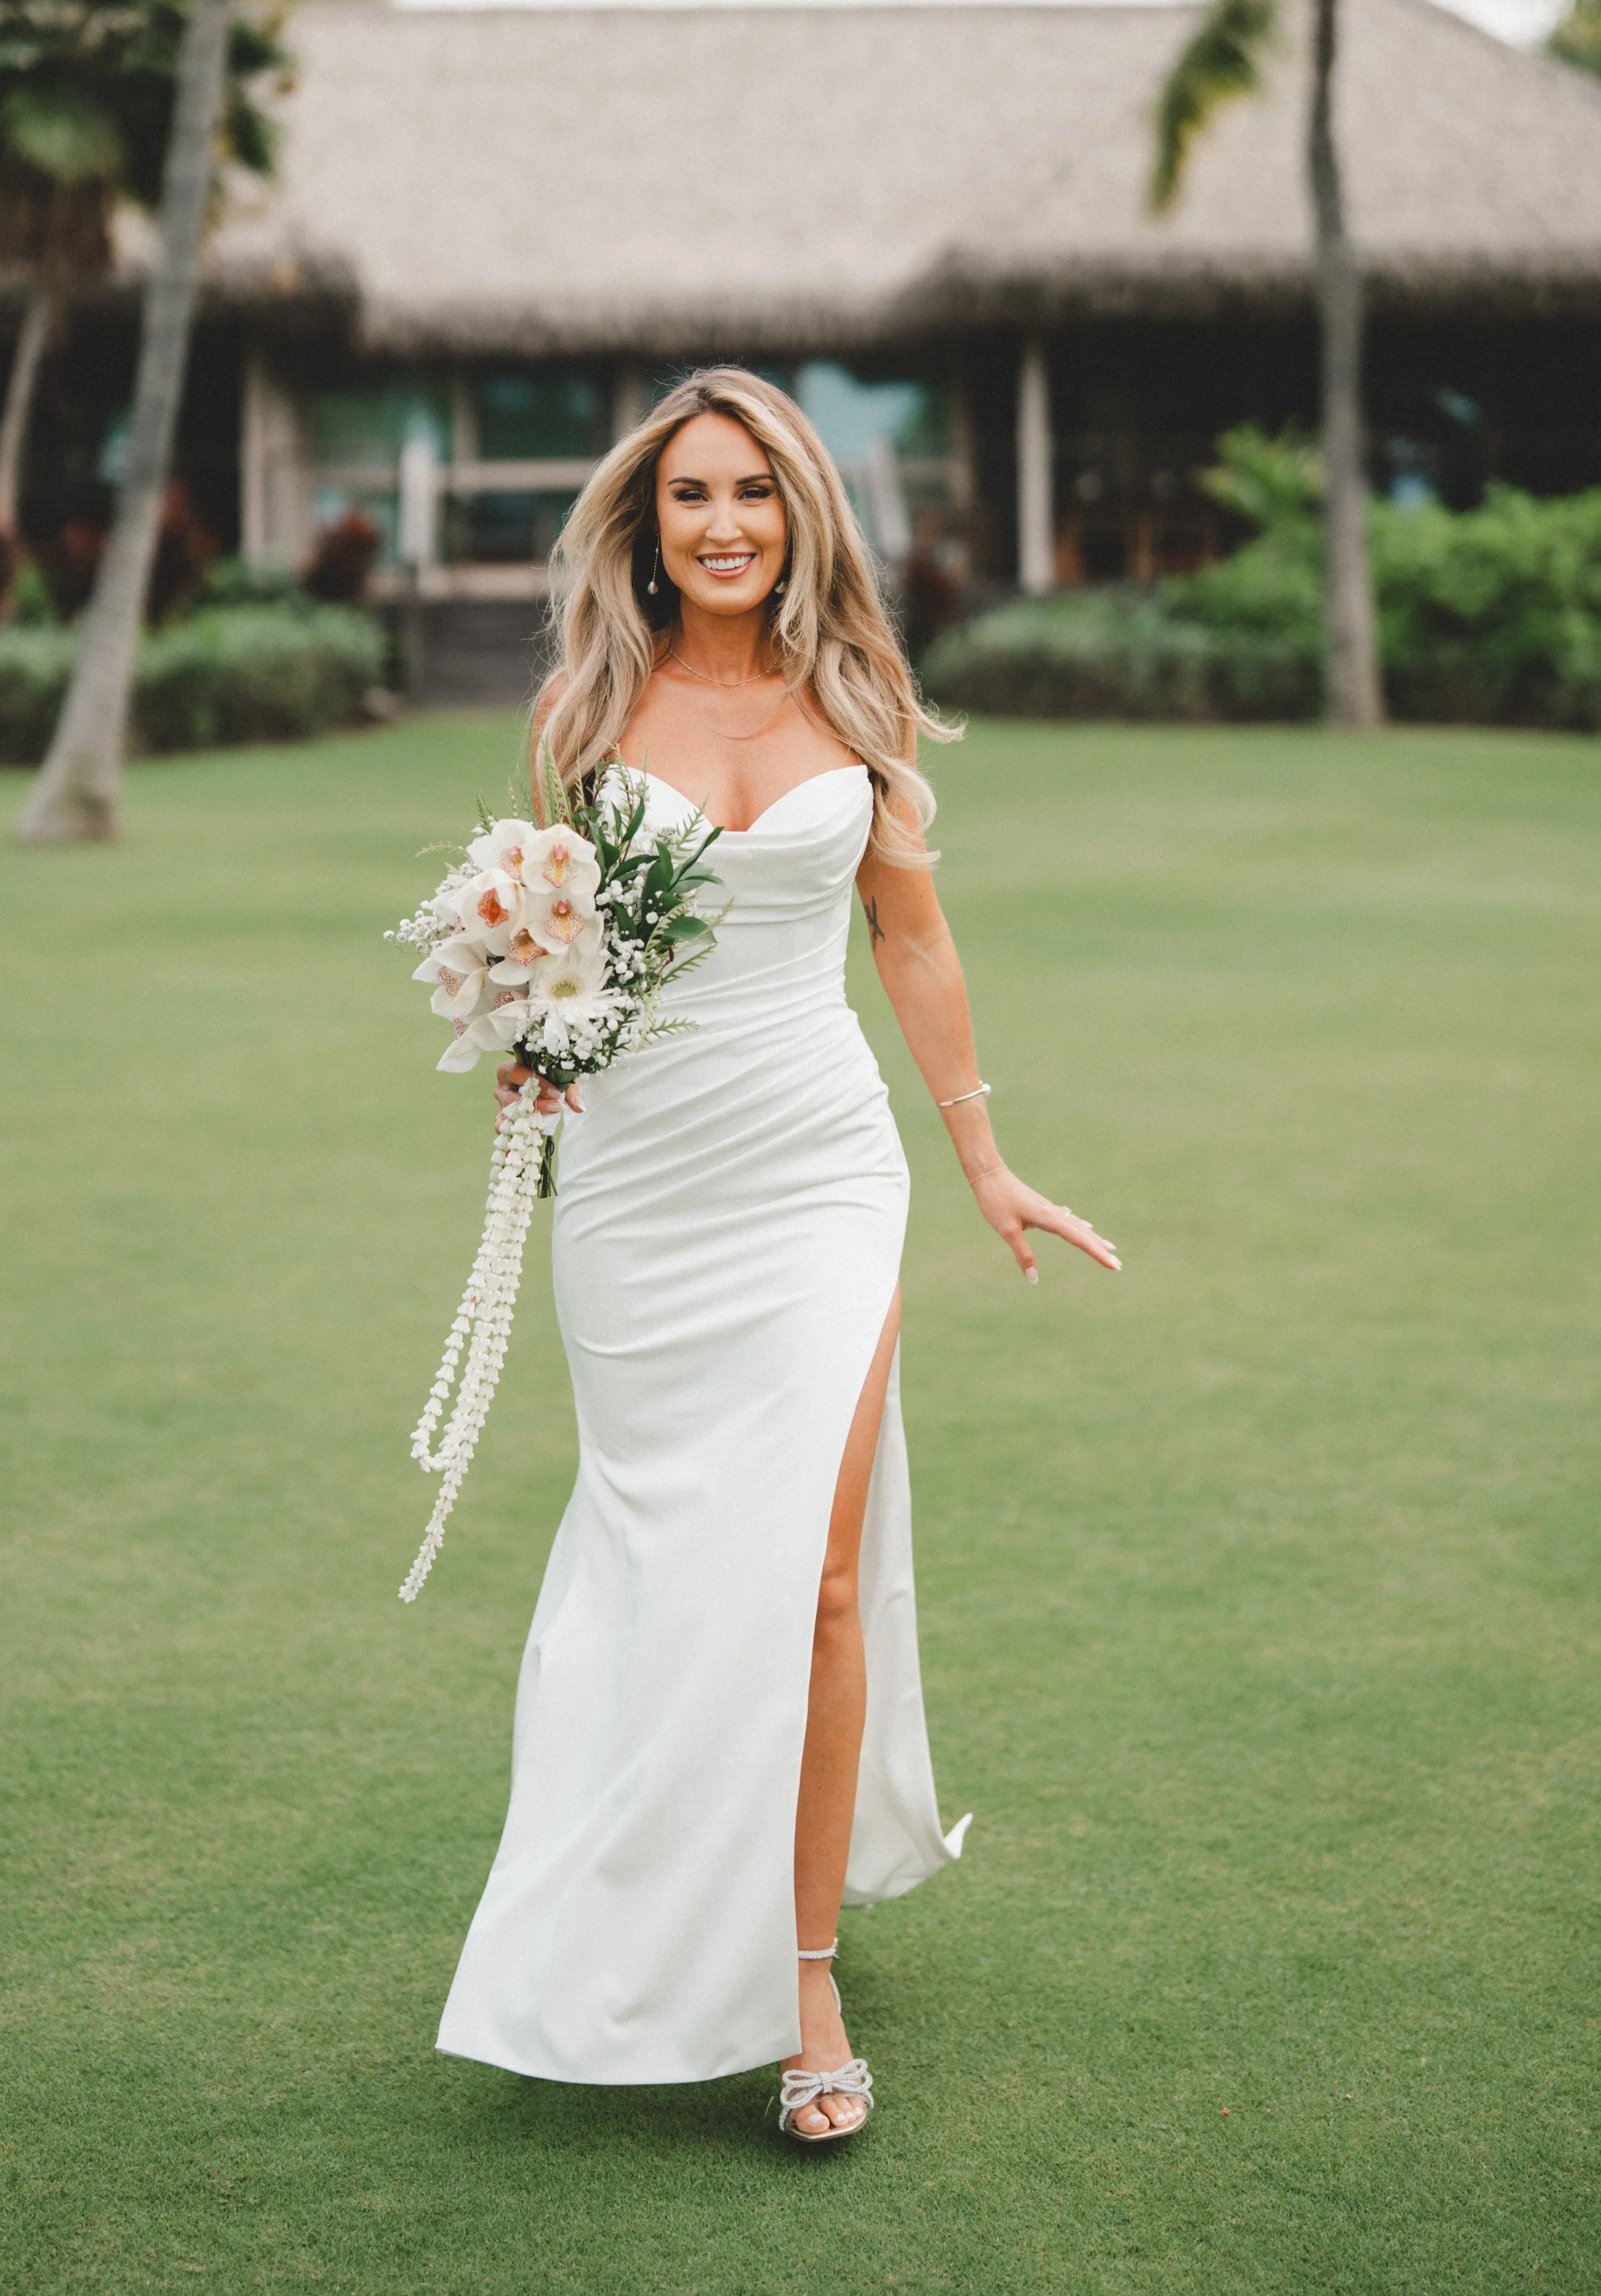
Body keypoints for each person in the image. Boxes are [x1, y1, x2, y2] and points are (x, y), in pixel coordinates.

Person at [435, 367, 1120, 2141]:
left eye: (751, 490)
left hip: (818, 1169)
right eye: (690, 495)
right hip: (640, 1187)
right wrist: (528, 1023)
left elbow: (909, 932)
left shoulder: (857, 700)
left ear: (799, 512)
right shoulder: (585, 708)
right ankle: (626, 1899)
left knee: (815, 1576)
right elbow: (558, 940)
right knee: (664, 1557)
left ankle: (803, 1976)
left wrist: (981, 1158)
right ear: (647, 525)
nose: (722, 521)